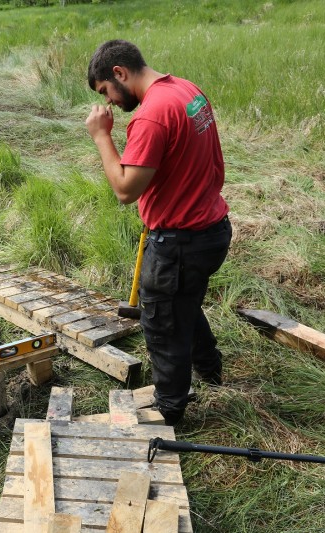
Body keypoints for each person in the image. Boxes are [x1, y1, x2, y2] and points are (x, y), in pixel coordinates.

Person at [85, 40, 232, 426]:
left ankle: (171, 408)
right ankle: (209, 368)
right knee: (186, 300)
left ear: (119, 73)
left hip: (181, 242)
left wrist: (102, 135)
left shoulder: (151, 115)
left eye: (105, 91)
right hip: (212, 228)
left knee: (163, 323)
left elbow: (124, 189)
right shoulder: (186, 90)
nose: (110, 102)